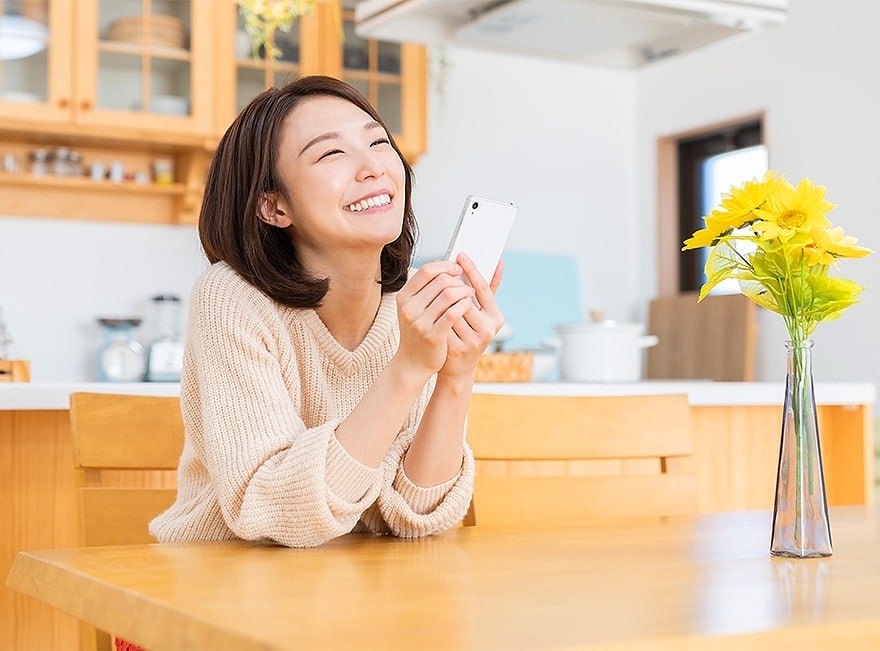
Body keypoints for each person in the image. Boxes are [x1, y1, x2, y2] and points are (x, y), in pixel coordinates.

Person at [149, 75, 505, 549]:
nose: (374, 167)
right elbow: (270, 510)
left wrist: (456, 375)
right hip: (220, 588)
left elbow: (414, 517)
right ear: (273, 206)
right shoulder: (232, 299)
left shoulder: (407, 310)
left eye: (379, 143)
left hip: (344, 595)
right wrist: (409, 367)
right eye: (332, 154)